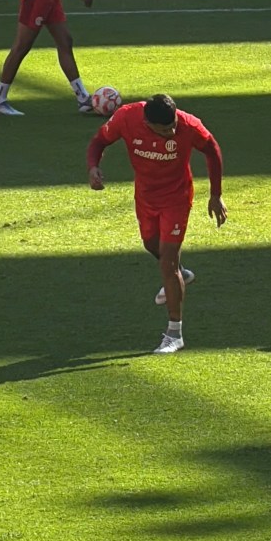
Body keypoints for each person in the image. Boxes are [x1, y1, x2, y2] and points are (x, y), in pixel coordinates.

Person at [87, 93, 227, 354]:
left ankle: (175, 333)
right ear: (148, 124)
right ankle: (180, 275)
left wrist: (216, 194)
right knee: (152, 245)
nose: (172, 130)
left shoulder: (188, 125)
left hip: (177, 198)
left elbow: (212, 149)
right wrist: (93, 167)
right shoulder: (127, 118)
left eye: (173, 124)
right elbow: (99, 141)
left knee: (167, 261)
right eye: (165, 129)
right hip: (145, 197)